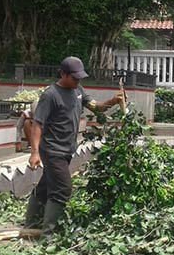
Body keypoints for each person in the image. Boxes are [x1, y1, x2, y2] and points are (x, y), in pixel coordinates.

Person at [25, 57, 124, 236]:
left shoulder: (78, 90)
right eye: (74, 77)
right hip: (53, 150)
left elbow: (95, 107)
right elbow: (37, 124)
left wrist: (112, 101)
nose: (78, 81)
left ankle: (30, 224)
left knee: (46, 186)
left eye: (80, 78)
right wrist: (34, 152)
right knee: (62, 189)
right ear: (63, 74)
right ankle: (48, 235)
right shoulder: (50, 95)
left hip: (67, 150)